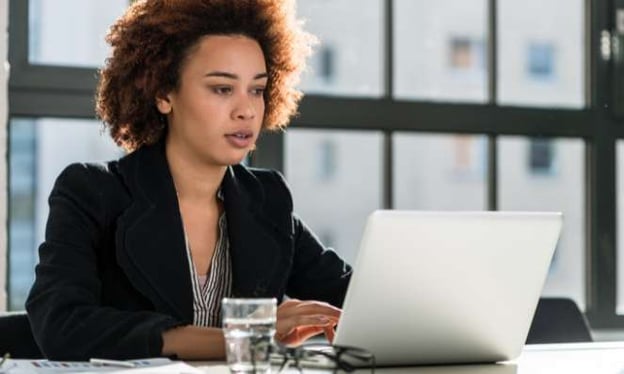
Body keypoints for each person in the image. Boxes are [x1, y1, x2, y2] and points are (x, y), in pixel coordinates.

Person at [26, 0, 352, 361]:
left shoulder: (267, 199)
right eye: (222, 89)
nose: (246, 110)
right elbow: (62, 325)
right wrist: (248, 337)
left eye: (257, 90)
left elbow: (351, 296)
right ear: (164, 94)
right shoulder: (92, 192)